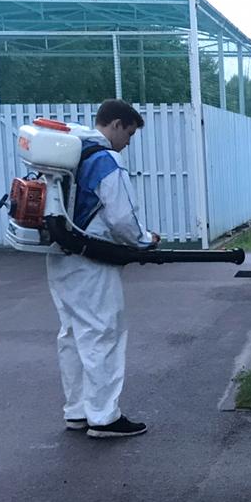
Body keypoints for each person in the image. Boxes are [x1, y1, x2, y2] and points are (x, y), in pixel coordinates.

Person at [47, 99, 159, 439]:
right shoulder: (105, 159)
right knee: (102, 333)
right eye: (129, 134)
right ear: (116, 124)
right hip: (91, 261)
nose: (127, 143)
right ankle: (104, 417)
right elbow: (122, 217)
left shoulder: (71, 152)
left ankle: (77, 411)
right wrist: (144, 240)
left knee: (72, 334)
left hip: (60, 256)